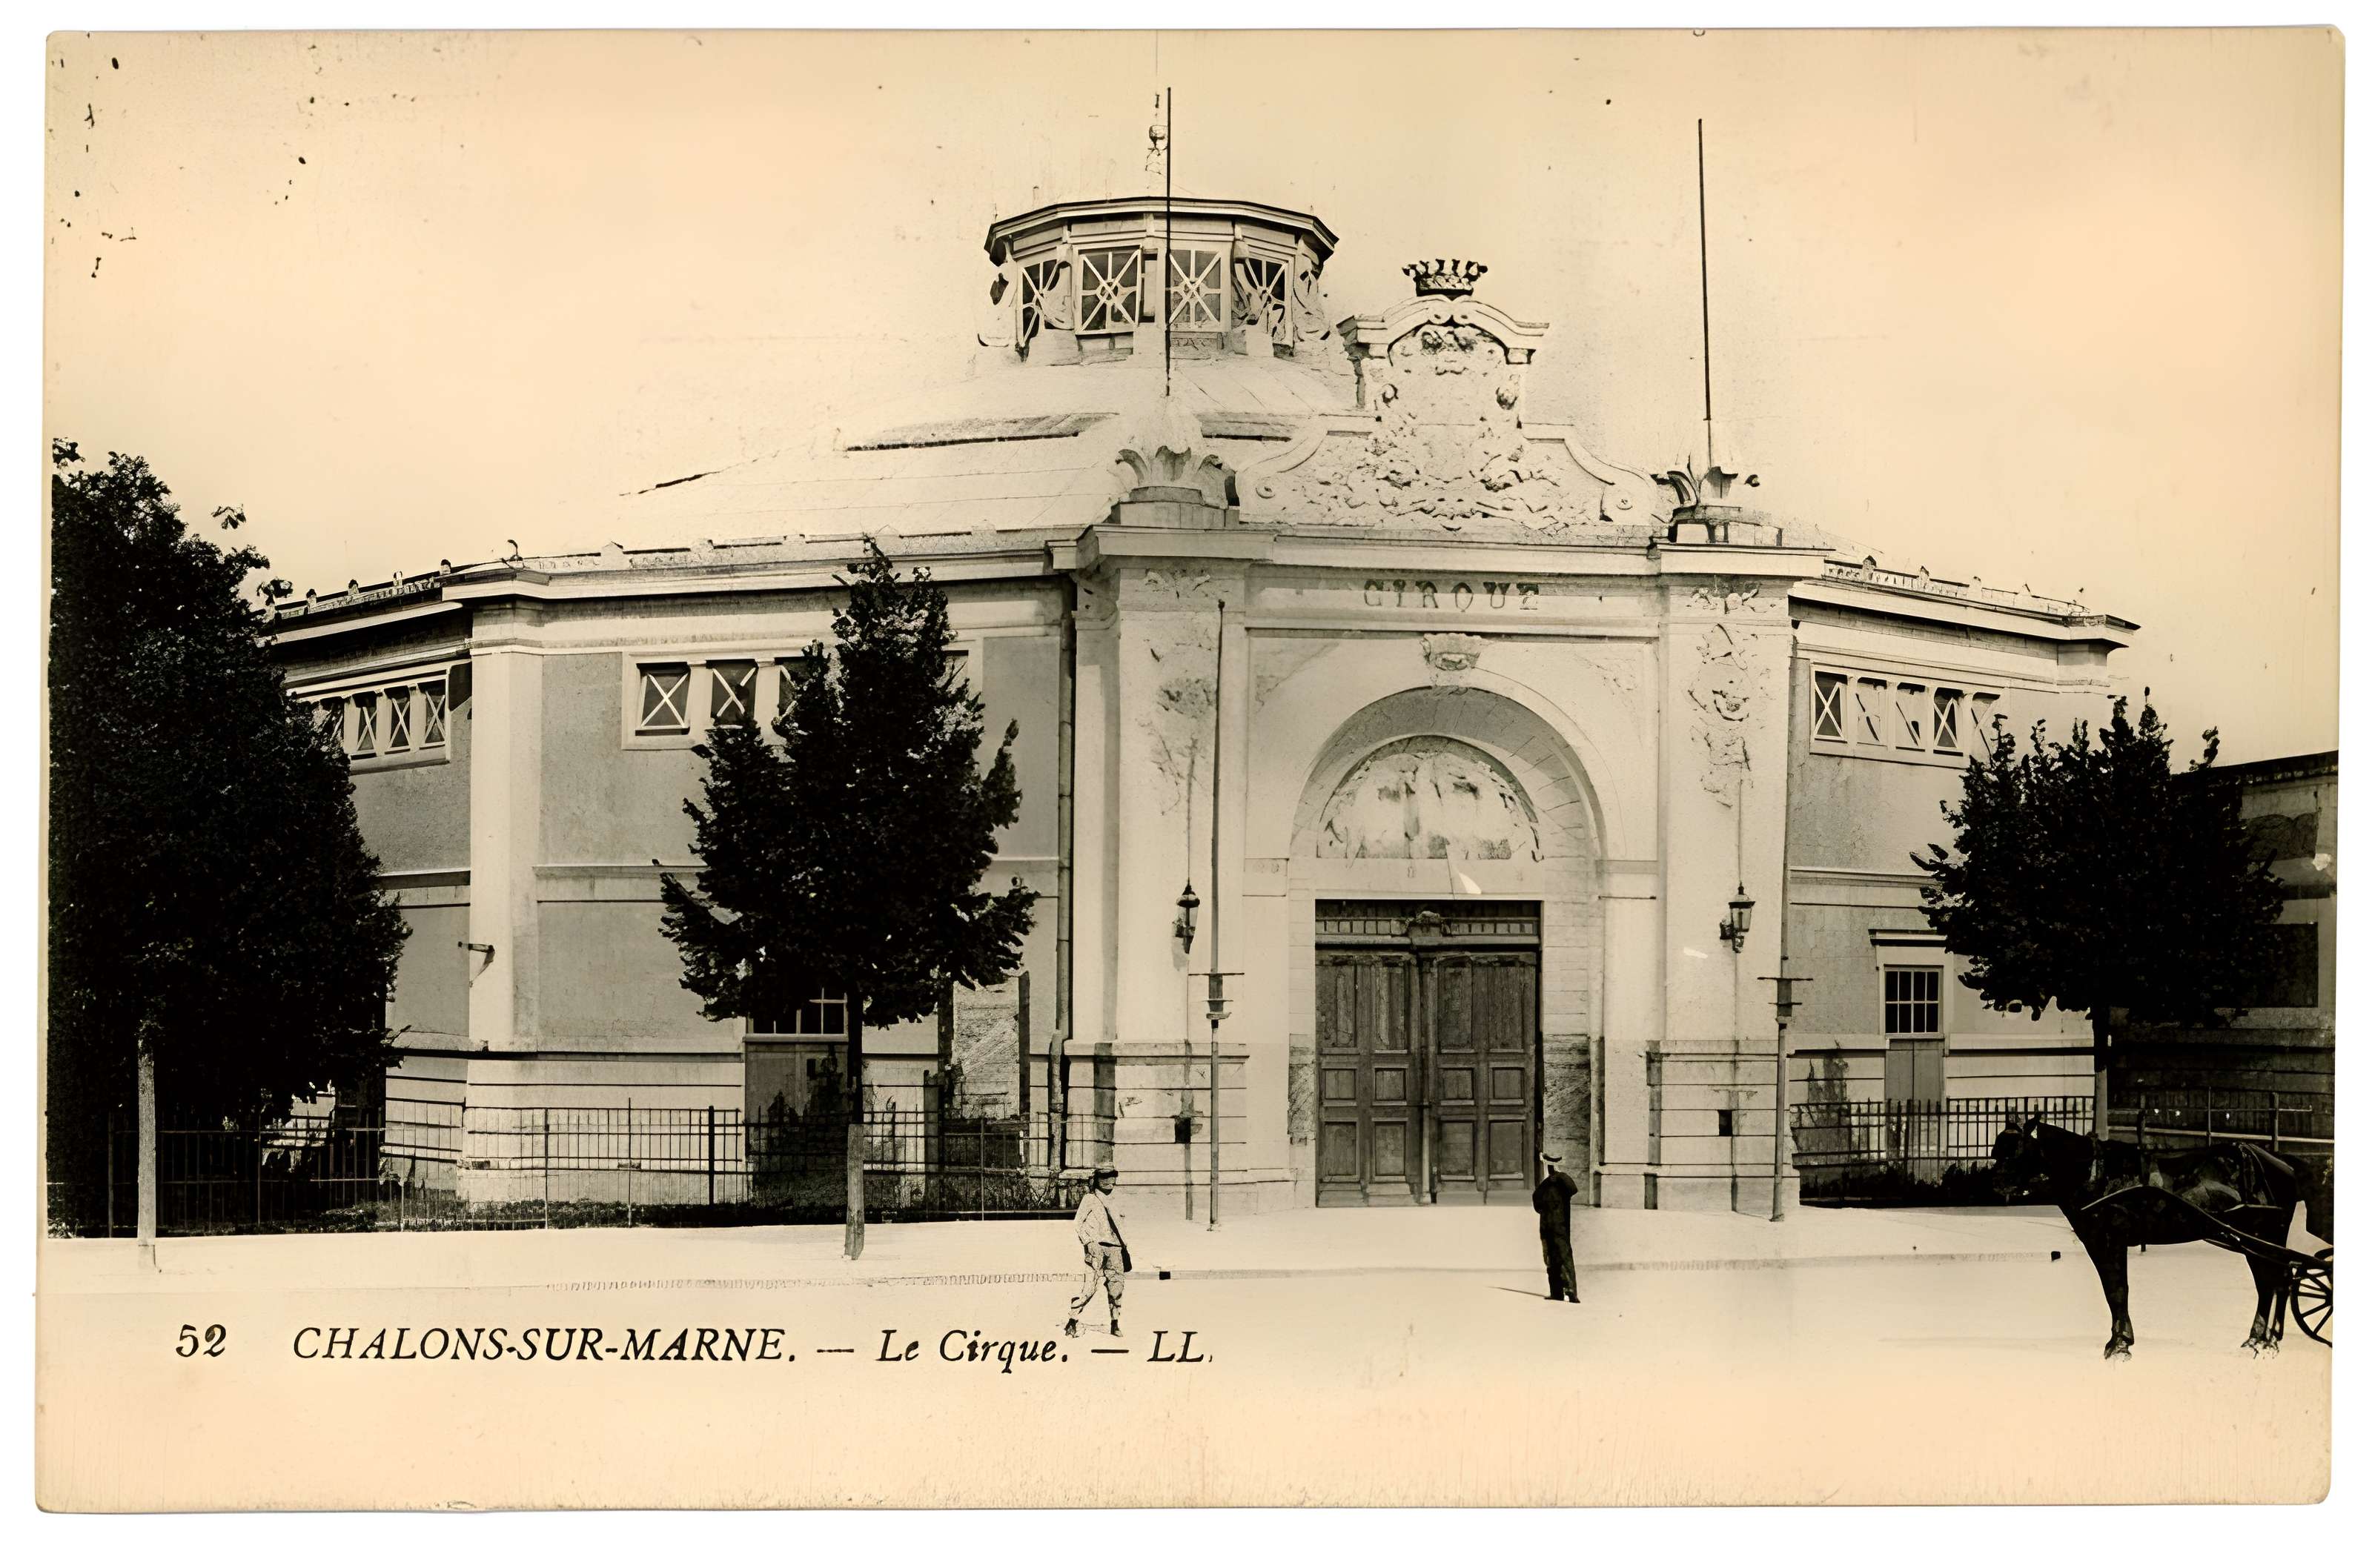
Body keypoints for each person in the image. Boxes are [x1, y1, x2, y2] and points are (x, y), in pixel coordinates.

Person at [1064, 1163, 1131, 1338]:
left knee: (1116, 1289)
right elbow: (1078, 1223)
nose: (1110, 1180)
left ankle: (1115, 1324)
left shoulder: (1119, 1199)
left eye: (1112, 1176)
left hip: (1116, 1249)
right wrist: (1089, 1242)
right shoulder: (1090, 1199)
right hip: (1096, 1249)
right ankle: (1073, 1319)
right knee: (1089, 1289)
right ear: (1097, 1180)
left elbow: (1122, 1225)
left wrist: (1124, 1245)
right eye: (1105, 1177)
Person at [1533, 1152, 1578, 1302]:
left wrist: (1558, 1175)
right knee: (1551, 1260)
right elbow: (1536, 1203)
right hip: (1547, 1228)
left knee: (1564, 1257)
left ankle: (1571, 1292)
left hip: (1560, 1227)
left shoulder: (1561, 1181)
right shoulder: (1544, 1186)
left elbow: (1573, 1188)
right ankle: (1556, 1293)